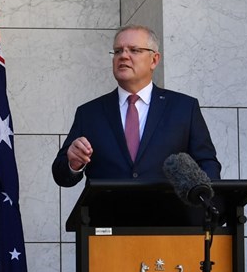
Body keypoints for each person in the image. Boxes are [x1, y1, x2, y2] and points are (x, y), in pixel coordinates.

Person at [52, 25, 221, 187]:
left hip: (169, 214)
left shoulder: (184, 108)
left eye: (134, 50)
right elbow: (61, 176)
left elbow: (207, 164)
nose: (123, 56)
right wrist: (73, 164)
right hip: (107, 214)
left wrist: (203, 203)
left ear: (154, 60)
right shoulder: (89, 113)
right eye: (118, 51)